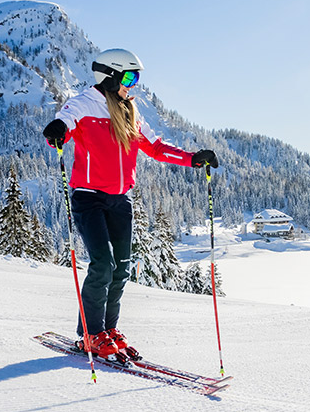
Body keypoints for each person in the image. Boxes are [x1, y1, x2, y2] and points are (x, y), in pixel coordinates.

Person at [42, 48, 219, 361]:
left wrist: (193, 159)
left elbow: (154, 147)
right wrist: (57, 131)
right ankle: (90, 334)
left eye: (136, 77)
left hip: (120, 201)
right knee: (102, 265)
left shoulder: (129, 111)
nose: (132, 84)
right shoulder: (84, 103)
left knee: (121, 269)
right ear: (110, 75)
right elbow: (64, 122)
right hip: (89, 198)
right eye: (128, 77)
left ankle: (107, 330)